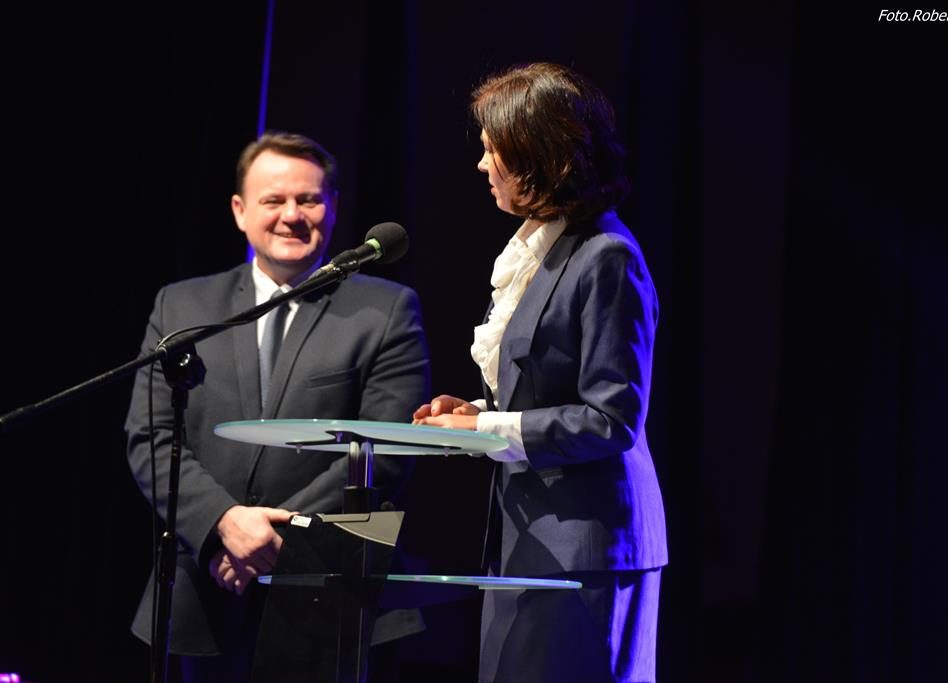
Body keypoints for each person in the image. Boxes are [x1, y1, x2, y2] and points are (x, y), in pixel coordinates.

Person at [125, 130, 430, 681]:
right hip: (205, 586)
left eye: (308, 199)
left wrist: (271, 538)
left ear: (332, 207)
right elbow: (151, 437)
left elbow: (387, 446)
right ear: (239, 211)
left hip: (330, 590)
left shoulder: (386, 311)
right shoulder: (182, 306)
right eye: (273, 200)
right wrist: (223, 523)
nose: (292, 215)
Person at [412, 63, 668, 682]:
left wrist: (489, 429)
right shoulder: (541, 249)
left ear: (537, 154)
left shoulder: (607, 256)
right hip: (530, 538)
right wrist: (475, 416)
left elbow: (611, 419)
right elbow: (540, 391)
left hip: (587, 547)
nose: (482, 165)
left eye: (492, 150)